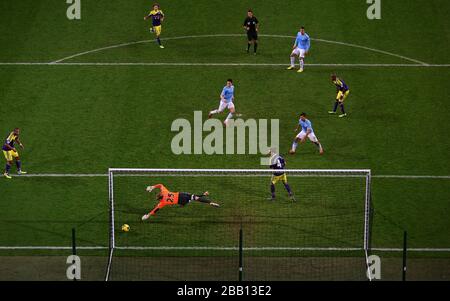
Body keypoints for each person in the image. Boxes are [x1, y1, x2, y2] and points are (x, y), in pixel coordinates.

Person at [142, 184, 220, 220]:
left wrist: (148, 215)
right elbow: (160, 185)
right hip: (182, 194)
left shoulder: (163, 203)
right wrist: (152, 187)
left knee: (190, 200)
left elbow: (155, 210)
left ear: (160, 199)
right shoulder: (165, 192)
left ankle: (203, 195)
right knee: (194, 197)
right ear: (161, 194)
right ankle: (208, 201)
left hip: (181, 201)